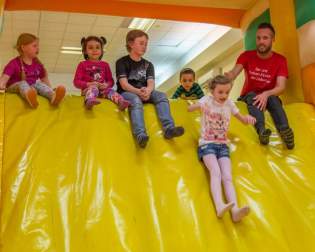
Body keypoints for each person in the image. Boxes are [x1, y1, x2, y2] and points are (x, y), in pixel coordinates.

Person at [188, 75, 256, 222]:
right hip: (207, 144)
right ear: (212, 91)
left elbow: (243, 120)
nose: (224, 96)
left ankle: (235, 211)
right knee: (216, 172)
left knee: (227, 176)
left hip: (223, 146)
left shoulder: (229, 104)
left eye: (227, 92)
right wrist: (198, 106)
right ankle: (219, 206)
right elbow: (189, 108)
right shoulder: (207, 100)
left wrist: (248, 119)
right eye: (220, 92)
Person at [225, 22, 294, 149]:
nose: (261, 41)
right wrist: (228, 76)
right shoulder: (246, 56)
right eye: (258, 38)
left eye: (265, 38)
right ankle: (262, 131)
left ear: (273, 40)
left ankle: (286, 132)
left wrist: (266, 94)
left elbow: (281, 87)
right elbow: (234, 73)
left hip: (269, 96)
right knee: (253, 96)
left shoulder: (280, 60)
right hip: (249, 96)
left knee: (274, 99)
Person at [116, 29, 184, 148]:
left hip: (145, 92)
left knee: (161, 96)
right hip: (128, 93)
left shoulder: (148, 64)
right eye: (141, 43)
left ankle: (169, 129)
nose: (144, 46)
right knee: (136, 101)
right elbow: (124, 84)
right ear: (131, 44)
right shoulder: (122, 62)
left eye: (146, 44)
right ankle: (140, 134)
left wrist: (148, 90)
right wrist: (138, 92)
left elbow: (151, 82)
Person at [0, 33, 65, 108]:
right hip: (14, 88)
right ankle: (29, 97)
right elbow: (4, 79)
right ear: (23, 47)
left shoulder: (38, 65)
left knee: (38, 84)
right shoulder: (14, 63)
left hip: (31, 88)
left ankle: (53, 97)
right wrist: (1, 86)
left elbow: (45, 80)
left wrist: (51, 90)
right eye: (34, 46)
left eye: (38, 46)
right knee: (22, 83)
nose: (37, 48)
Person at [73, 36, 130, 110]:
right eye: (90, 48)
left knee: (111, 91)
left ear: (102, 50)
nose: (94, 50)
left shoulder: (105, 65)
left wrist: (106, 85)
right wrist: (88, 84)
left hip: (103, 91)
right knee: (94, 88)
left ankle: (121, 102)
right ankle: (89, 101)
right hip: (87, 91)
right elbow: (76, 82)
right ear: (85, 51)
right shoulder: (82, 64)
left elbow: (111, 81)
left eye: (97, 47)